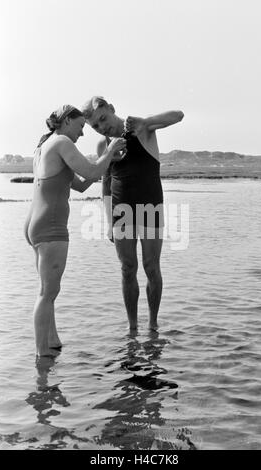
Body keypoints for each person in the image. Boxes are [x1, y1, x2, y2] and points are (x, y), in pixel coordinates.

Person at [24, 104, 126, 357]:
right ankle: (41, 358)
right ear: (67, 121)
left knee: (47, 291)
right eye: (81, 126)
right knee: (48, 293)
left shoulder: (44, 146)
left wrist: (107, 160)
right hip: (51, 226)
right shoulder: (62, 143)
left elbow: (80, 184)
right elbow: (91, 170)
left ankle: (52, 342)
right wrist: (111, 148)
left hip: (34, 224)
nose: (82, 133)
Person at [81, 97, 184, 331]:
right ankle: (132, 327)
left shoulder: (141, 128)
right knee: (127, 268)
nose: (102, 127)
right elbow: (105, 184)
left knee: (151, 266)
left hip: (151, 205)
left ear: (112, 109)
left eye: (103, 119)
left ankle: (153, 325)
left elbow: (178, 115)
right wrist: (108, 222)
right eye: (95, 126)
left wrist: (146, 121)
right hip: (120, 210)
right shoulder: (103, 145)